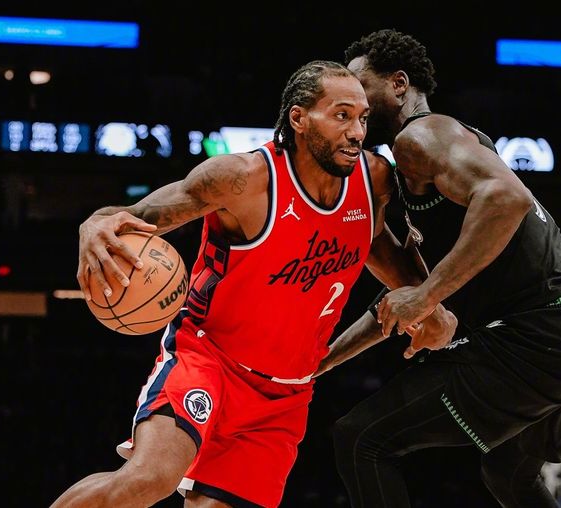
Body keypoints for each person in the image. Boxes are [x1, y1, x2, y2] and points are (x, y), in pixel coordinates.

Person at [50, 60, 456, 508]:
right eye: (341, 115)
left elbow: (375, 243)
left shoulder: (374, 179)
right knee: (150, 478)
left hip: (286, 393)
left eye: (362, 118)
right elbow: (127, 220)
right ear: (299, 118)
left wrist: (429, 302)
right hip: (208, 358)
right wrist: (94, 222)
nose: (357, 131)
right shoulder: (241, 180)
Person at [316, 29, 561, 507]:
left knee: (361, 439)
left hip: (542, 335)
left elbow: (508, 197)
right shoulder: (429, 163)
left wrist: (427, 296)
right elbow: (403, 295)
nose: (355, 100)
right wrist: (323, 361)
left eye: (360, 85)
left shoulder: (420, 135)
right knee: (508, 474)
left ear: (399, 83)